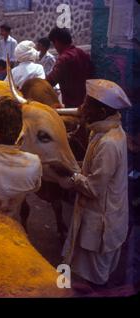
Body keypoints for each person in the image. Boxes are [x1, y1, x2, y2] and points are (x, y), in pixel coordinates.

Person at [50, 79, 131, 289]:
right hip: (96, 219)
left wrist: (69, 172)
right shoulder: (104, 132)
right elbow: (93, 171)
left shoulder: (108, 144)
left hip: (99, 227)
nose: (82, 108)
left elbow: (94, 187)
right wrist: (75, 167)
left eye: (87, 105)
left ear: (102, 111)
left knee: (92, 280)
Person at [47, 27, 93, 108]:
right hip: (87, 101)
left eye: (54, 44)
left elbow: (51, 81)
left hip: (73, 105)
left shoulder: (64, 59)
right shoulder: (81, 52)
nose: (55, 47)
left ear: (57, 42)